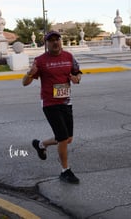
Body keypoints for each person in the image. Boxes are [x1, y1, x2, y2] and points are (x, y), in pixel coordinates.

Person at [22, 30, 82, 184]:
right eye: (51, 40)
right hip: (50, 103)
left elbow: (77, 72)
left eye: (57, 39)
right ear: (46, 43)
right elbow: (25, 82)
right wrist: (30, 73)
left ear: (61, 41)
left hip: (66, 102)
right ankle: (65, 170)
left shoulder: (69, 57)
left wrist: (76, 78)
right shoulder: (40, 61)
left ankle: (41, 145)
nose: (55, 42)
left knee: (67, 139)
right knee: (62, 138)